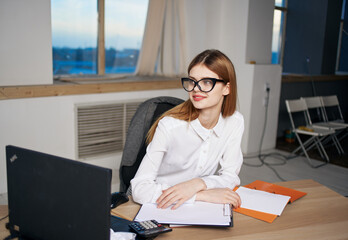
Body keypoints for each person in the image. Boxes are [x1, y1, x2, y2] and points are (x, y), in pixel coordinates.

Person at [131, 49, 244, 210]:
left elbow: (230, 176)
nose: (196, 89)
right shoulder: (169, 126)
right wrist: (199, 195)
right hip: (161, 204)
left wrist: (198, 183)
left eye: (206, 82)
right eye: (192, 81)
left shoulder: (235, 122)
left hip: (199, 209)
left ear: (226, 88)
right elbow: (139, 190)